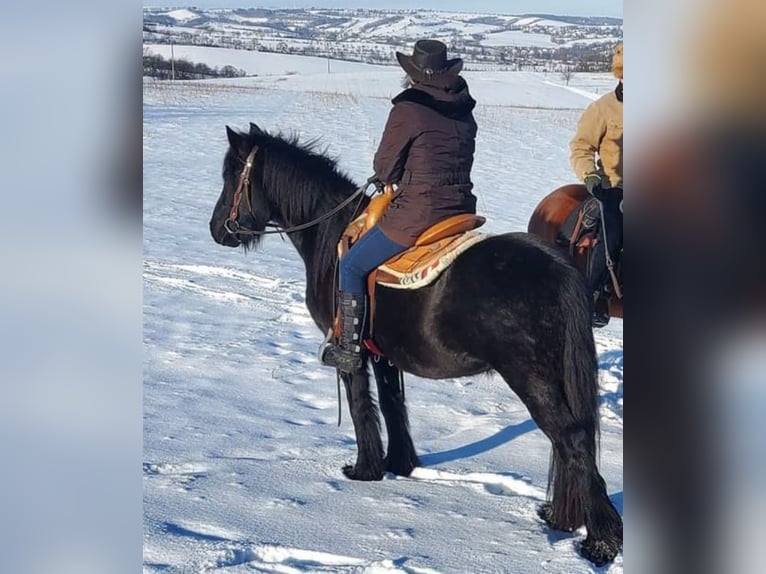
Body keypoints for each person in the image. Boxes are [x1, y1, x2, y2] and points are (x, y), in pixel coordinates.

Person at [320, 39, 478, 373]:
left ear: (413, 74)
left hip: (418, 214)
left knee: (351, 265)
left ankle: (349, 348)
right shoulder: (464, 108)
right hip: (461, 209)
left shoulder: (408, 110)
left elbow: (385, 169)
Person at [570, 42, 624, 327]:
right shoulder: (603, 109)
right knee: (613, 229)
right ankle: (592, 294)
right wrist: (590, 176)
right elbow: (581, 146)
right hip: (617, 186)